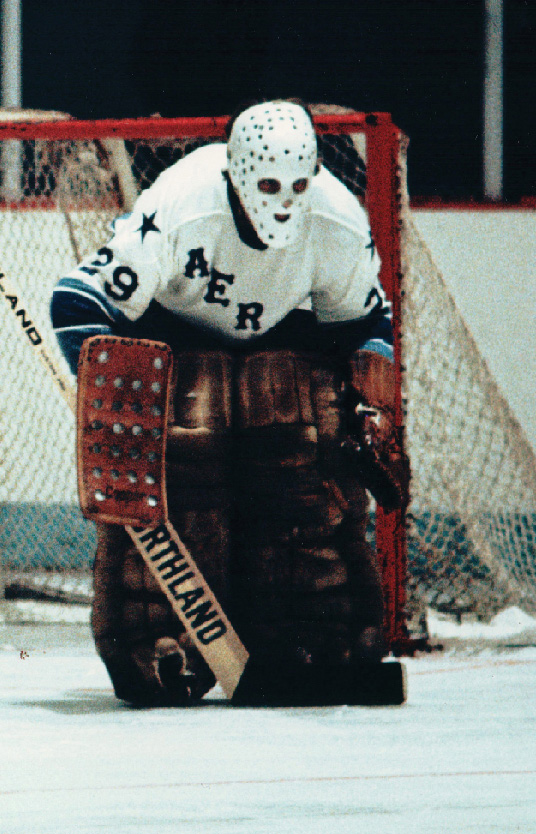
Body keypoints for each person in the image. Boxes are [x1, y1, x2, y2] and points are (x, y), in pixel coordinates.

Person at [50, 100, 401, 706]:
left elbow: (365, 324)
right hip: (175, 339)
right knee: (186, 452)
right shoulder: (183, 202)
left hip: (287, 343)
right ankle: (158, 639)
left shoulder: (338, 219)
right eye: (268, 184)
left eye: (300, 183)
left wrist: (371, 400)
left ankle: (314, 635)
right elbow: (78, 301)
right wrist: (112, 404)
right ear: (237, 174)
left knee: (301, 445)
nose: (286, 201)